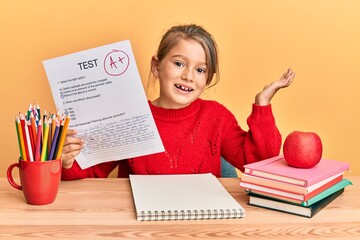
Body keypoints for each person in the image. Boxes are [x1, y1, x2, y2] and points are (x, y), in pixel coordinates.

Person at [61, 24, 295, 180]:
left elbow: (259, 163)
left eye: (200, 69)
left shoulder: (216, 116)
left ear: (208, 78)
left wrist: (262, 104)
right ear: (156, 66)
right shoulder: (130, 117)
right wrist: (67, 162)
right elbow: (89, 174)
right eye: (179, 63)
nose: (188, 76)